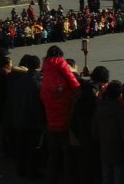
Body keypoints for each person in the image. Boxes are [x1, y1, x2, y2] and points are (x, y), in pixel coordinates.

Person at [41, 45, 81, 184]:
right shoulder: (60, 63)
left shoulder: (45, 68)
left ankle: (52, 178)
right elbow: (74, 83)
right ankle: (69, 178)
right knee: (67, 153)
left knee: (53, 153)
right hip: (64, 115)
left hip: (51, 117)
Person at [8, 54, 45, 179]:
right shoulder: (38, 83)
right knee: (32, 147)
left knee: (21, 146)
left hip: (19, 117)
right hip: (32, 120)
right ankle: (33, 171)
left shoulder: (19, 81)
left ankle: (21, 170)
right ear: (39, 66)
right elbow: (38, 104)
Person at [92, 80, 124, 184]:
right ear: (120, 95)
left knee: (106, 176)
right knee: (119, 177)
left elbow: (94, 131)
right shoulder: (121, 113)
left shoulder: (100, 108)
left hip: (104, 148)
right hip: (119, 151)